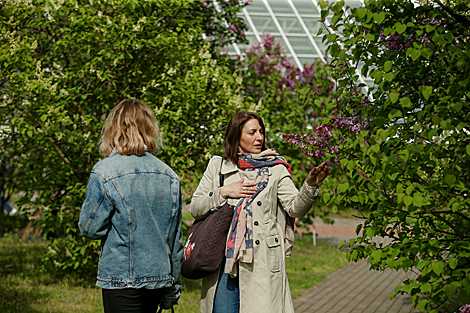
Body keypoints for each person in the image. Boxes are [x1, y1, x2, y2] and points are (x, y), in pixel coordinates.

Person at [190, 111, 331, 313]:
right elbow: (195, 208)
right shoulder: (218, 166)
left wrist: (309, 186)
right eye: (252, 132)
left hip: (262, 262)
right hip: (223, 263)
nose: (259, 138)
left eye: (261, 132)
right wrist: (222, 192)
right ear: (236, 135)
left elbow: (295, 207)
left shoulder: (276, 168)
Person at [78, 99, 183, 313]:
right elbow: (175, 241)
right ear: (149, 129)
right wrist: (173, 288)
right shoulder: (169, 175)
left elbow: (89, 228)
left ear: (114, 129)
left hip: (121, 278)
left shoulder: (104, 171)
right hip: (158, 277)